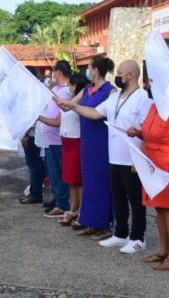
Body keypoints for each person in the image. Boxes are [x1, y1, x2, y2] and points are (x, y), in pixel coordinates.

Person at [59, 59, 150, 253]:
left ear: (131, 76)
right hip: (114, 156)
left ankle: (138, 238)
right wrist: (73, 106)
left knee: (135, 199)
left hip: (131, 157)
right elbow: (94, 113)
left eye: (120, 72)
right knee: (118, 198)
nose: (117, 75)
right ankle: (121, 233)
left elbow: (147, 130)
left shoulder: (142, 97)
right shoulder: (115, 98)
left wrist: (140, 155)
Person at [127, 66, 169, 271]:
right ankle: (163, 250)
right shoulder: (154, 107)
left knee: (168, 209)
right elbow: (149, 135)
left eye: (154, 82)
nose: (150, 85)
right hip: (153, 165)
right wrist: (137, 133)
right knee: (159, 209)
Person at [55, 56, 115, 238]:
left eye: (89, 67)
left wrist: (72, 107)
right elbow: (69, 107)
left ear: (95, 70)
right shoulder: (88, 89)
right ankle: (90, 221)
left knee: (101, 183)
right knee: (88, 182)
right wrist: (59, 101)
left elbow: (97, 114)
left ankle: (104, 224)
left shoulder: (110, 91)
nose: (87, 71)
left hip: (101, 142)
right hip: (86, 142)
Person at [38, 74, 88, 225]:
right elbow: (59, 115)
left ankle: (82, 212)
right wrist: (48, 92)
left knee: (78, 181)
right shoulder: (70, 101)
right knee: (70, 180)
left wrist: (51, 93)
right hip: (66, 142)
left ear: (76, 86)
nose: (69, 89)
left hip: (76, 142)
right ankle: (72, 210)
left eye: (71, 86)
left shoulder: (81, 102)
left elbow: (65, 106)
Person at [37, 60, 72, 218]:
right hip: (49, 139)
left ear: (59, 73)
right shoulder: (55, 88)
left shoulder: (67, 91)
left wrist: (39, 118)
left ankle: (63, 204)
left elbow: (59, 117)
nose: (53, 76)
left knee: (58, 173)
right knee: (52, 173)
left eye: (54, 73)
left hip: (58, 139)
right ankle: (58, 199)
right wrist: (50, 86)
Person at [19, 67, 47, 205]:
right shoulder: (39, 89)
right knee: (37, 164)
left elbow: (31, 115)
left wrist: (25, 134)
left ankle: (35, 194)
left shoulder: (33, 91)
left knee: (34, 164)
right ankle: (35, 191)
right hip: (36, 132)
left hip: (33, 133)